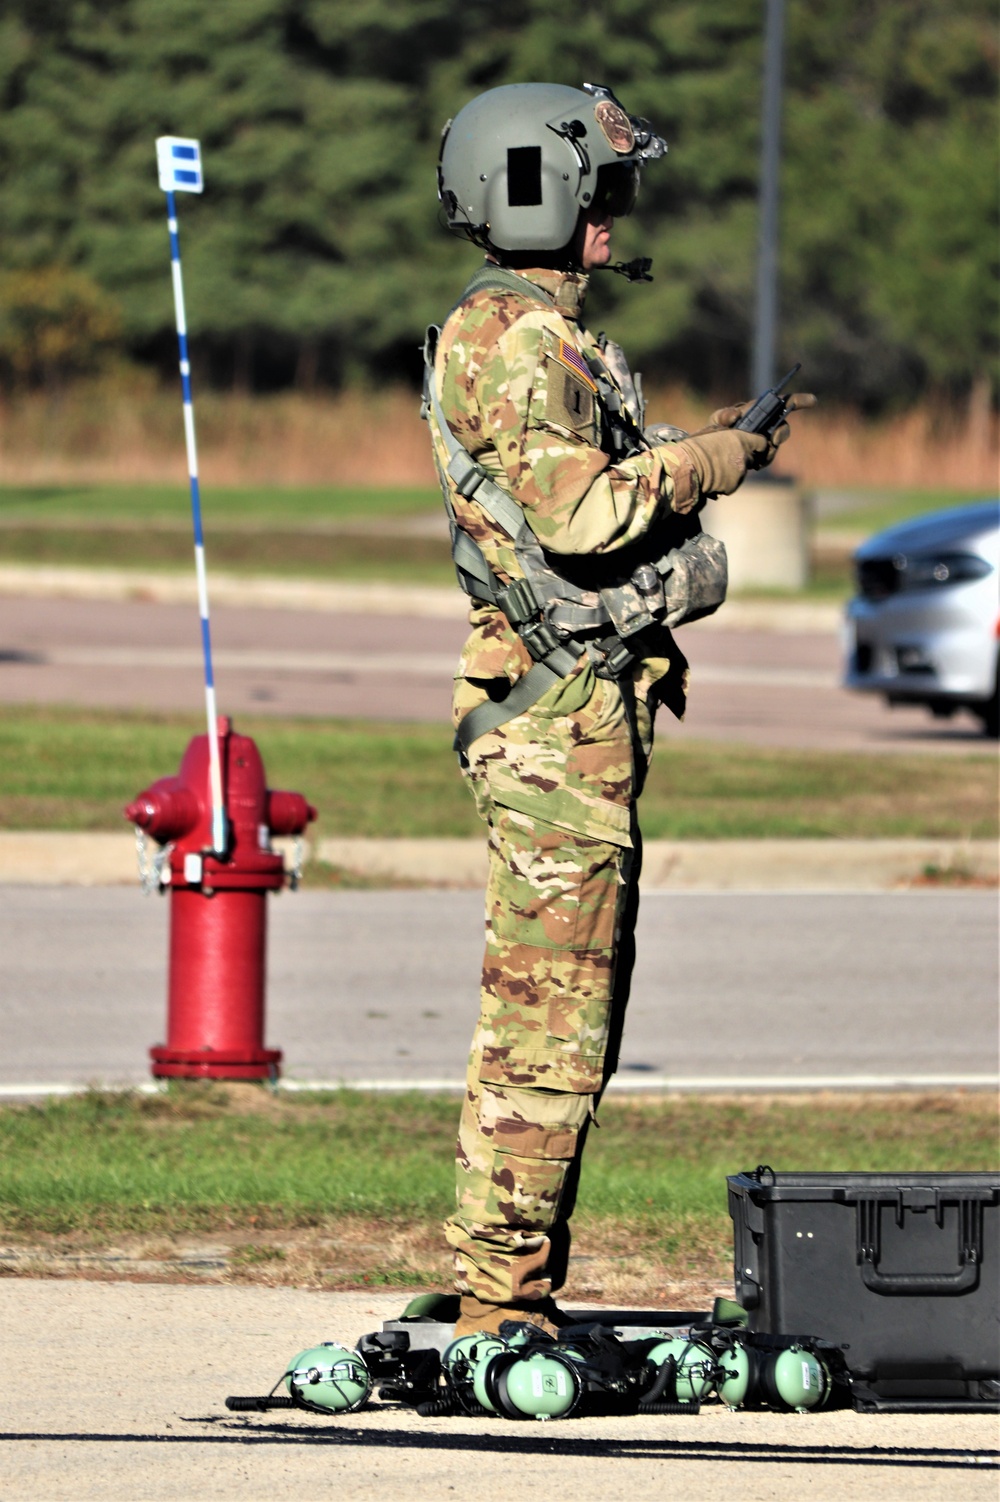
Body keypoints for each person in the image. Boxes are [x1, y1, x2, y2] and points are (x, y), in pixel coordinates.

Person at [423, 81, 813, 1338]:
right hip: (555, 731)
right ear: (542, 194)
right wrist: (710, 458)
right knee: (550, 1026)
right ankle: (500, 1297)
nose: (616, 217)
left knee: (561, 1012)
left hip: (575, 719)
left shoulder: (528, 333)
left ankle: (509, 1282)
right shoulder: (519, 342)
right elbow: (584, 515)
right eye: (605, 190)